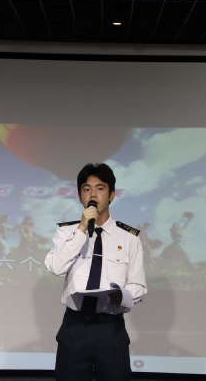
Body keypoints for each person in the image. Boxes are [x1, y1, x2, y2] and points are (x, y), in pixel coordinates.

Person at [45, 163, 147, 381]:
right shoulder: (66, 232)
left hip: (110, 326)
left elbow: (138, 285)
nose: (92, 194)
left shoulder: (129, 237)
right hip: (75, 326)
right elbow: (56, 267)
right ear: (80, 196)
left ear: (111, 195)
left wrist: (121, 296)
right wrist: (82, 229)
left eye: (100, 188)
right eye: (86, 189)